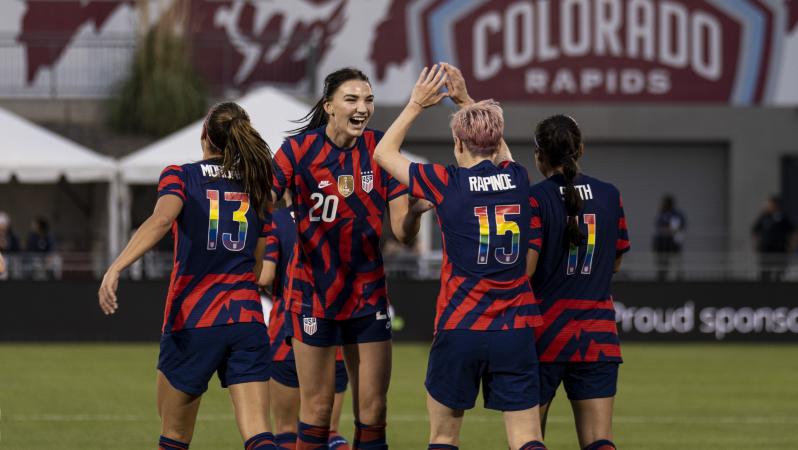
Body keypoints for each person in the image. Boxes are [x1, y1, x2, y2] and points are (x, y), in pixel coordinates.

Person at [374, 63, 548, 450]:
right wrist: (467, 101)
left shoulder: (446, 182)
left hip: (460, 327)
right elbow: (499, 148)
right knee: (527, 437)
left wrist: (417, 104)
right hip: (514, 329)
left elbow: (383, 152)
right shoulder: (518, 179)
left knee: (443, 437)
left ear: (457, 145)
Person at [98, 102, 278, 450]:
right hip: (247, 318)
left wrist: (116, 267)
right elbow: (257, 268)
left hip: (194, 318)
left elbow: (161, 220)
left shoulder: (180, 175)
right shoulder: (258, 188)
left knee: (175, 437)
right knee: (259, 433)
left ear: (203, 135)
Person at [271, 67, 431, 449]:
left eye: (369, 100)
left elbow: (402, 234)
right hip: (312, 295)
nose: (363, 107)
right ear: (329, 106)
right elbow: (265, 200)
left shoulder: (381, 152)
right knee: (318, 409)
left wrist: (413, 213)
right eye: (352, 99)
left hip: (367, 295)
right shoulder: (297, 150)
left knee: (374, 409)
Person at [528, 114, 631, 450]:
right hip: (597, 334)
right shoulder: (610, 195)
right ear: (580, 149)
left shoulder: (535, 199)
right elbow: (615, 261)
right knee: (599, 441)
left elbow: (524, 271)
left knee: (528, 439)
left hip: (544, 331)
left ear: (540, 155)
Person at [259, 201, 351, 450]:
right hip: (334, 330)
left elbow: (266, 276)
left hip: (287, 329)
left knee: (286, 429)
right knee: (328, 430)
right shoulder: (339, 216)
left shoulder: (277, 220)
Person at [751, 195, 796, 281]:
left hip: (779, 248)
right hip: (766, 248)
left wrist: (791, 245)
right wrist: (755, 244)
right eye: (768, 204)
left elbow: (793, 231)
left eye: (770, 204)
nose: (769, 206)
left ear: (776, 205)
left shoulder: (783, 217)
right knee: (765, 270)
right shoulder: (764, 216)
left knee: (779, 270)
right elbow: (755, 231)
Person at [652, 194, 686, 280]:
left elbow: (676, 228)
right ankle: (661, 277)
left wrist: (667, 230)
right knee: (662, 261)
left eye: (664, 203)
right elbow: (658, 227)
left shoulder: (676, 214)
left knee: (675, 261)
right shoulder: (661, 214)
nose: (662, 205)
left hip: (672, 243)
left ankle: (678, 277)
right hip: (661, 243)